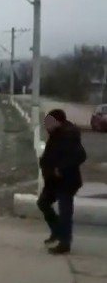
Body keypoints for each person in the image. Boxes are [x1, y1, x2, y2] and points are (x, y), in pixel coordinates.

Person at [37, 109, 87, 254]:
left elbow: (81, 156)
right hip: (53, 181)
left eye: (50, 122)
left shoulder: (69, 135)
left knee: (65, 212)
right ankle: (57, 232)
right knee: (43, 203)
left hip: (66, 181)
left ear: (58, 122)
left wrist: (61, 167)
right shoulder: (56, 134)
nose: (47, 125)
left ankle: (65, 243)